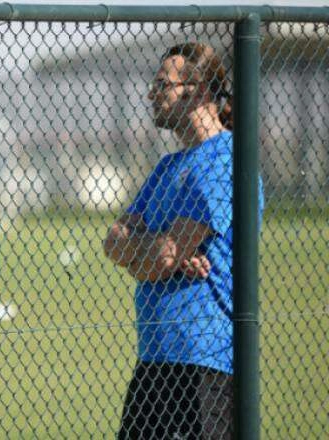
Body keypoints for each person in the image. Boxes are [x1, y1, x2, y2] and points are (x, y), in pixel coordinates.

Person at [103, 42, 264, 439]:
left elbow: (161, 256)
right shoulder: (167, 166)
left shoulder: (225, 160)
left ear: (197, 91)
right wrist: (158, 253)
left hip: (201, 364)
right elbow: (114, 241)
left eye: (162, 84)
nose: (151, 94)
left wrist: (152, 253)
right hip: (154, 360)